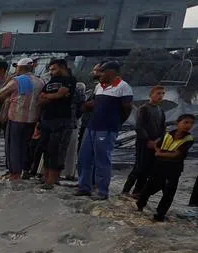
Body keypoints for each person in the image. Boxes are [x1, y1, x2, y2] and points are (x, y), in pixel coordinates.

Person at [76, 61, 133, 200]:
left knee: (102, 160)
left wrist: (116, 123)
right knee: (84, 158)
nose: (98, 74)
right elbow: (96, 103)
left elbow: (127, 109)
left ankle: (102, 191)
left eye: (101, 71)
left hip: (106, 129)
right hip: (92, 126)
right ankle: (84, 187)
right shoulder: (98, 87)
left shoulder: (123, 87)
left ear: (111, 72)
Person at [136, 113, 193, 221]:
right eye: (186, 122)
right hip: (159, 166)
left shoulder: (188, 139)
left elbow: (177, 154)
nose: (188, 125)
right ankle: (140, 206)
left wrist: (159, 154)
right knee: (149, 187)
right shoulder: (168, 134)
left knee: (168, 193)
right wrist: (157, 150)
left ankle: (160, 215)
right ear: (178, 123)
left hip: (173, 169)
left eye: (191, 123)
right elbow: (158, 144)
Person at [0, 57, 44, 181]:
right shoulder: (40, 81)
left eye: (16, 67)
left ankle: (14, 174)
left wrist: (8, 81)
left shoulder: (18, 80)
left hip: (16, 118)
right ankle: (24, 171)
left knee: (13, 147)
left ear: (20, 68)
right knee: (26, 147)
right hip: (32, 120)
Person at [35, 58, 77, 188]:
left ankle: (52, 180)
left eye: (53, 69)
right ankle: (45, 176)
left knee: (56, 150)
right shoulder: (50, 82)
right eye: (50, 69)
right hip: (47, 119)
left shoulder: (70, 80)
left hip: (61, 120)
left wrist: (50, 97)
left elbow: (61, 94)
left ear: (62, 67)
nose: (51, 72)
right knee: (45, 149)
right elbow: (41, 98)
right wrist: (52, 96)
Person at [122, 85, 167, 197]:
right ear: (151, 95)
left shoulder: (160, 111)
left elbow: (163, 128)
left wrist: (158, 141)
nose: (160, 96)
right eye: (158, 93)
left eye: (162, 93)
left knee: (147, 169)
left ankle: (137, 192)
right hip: (143, 143)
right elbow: (139, 127)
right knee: (139, 167)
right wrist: (148, 140)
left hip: (155, 144)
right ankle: (125, 190)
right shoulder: (144, 108)